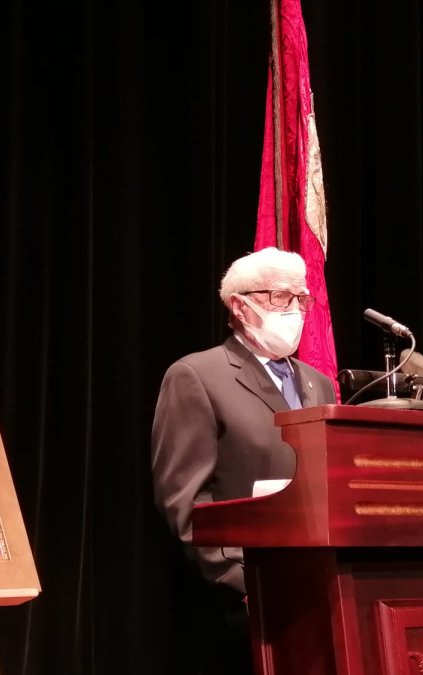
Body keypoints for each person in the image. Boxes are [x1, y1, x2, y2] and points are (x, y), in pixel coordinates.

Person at [150, 246, 337, 675]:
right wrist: (243, 580)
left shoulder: (318, 384)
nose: (296, 310)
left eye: (301, 298)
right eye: (280, 297)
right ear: (240, 305)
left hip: (317, 588)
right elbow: (185, 499)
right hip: (239, 603)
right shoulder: (197, 375)